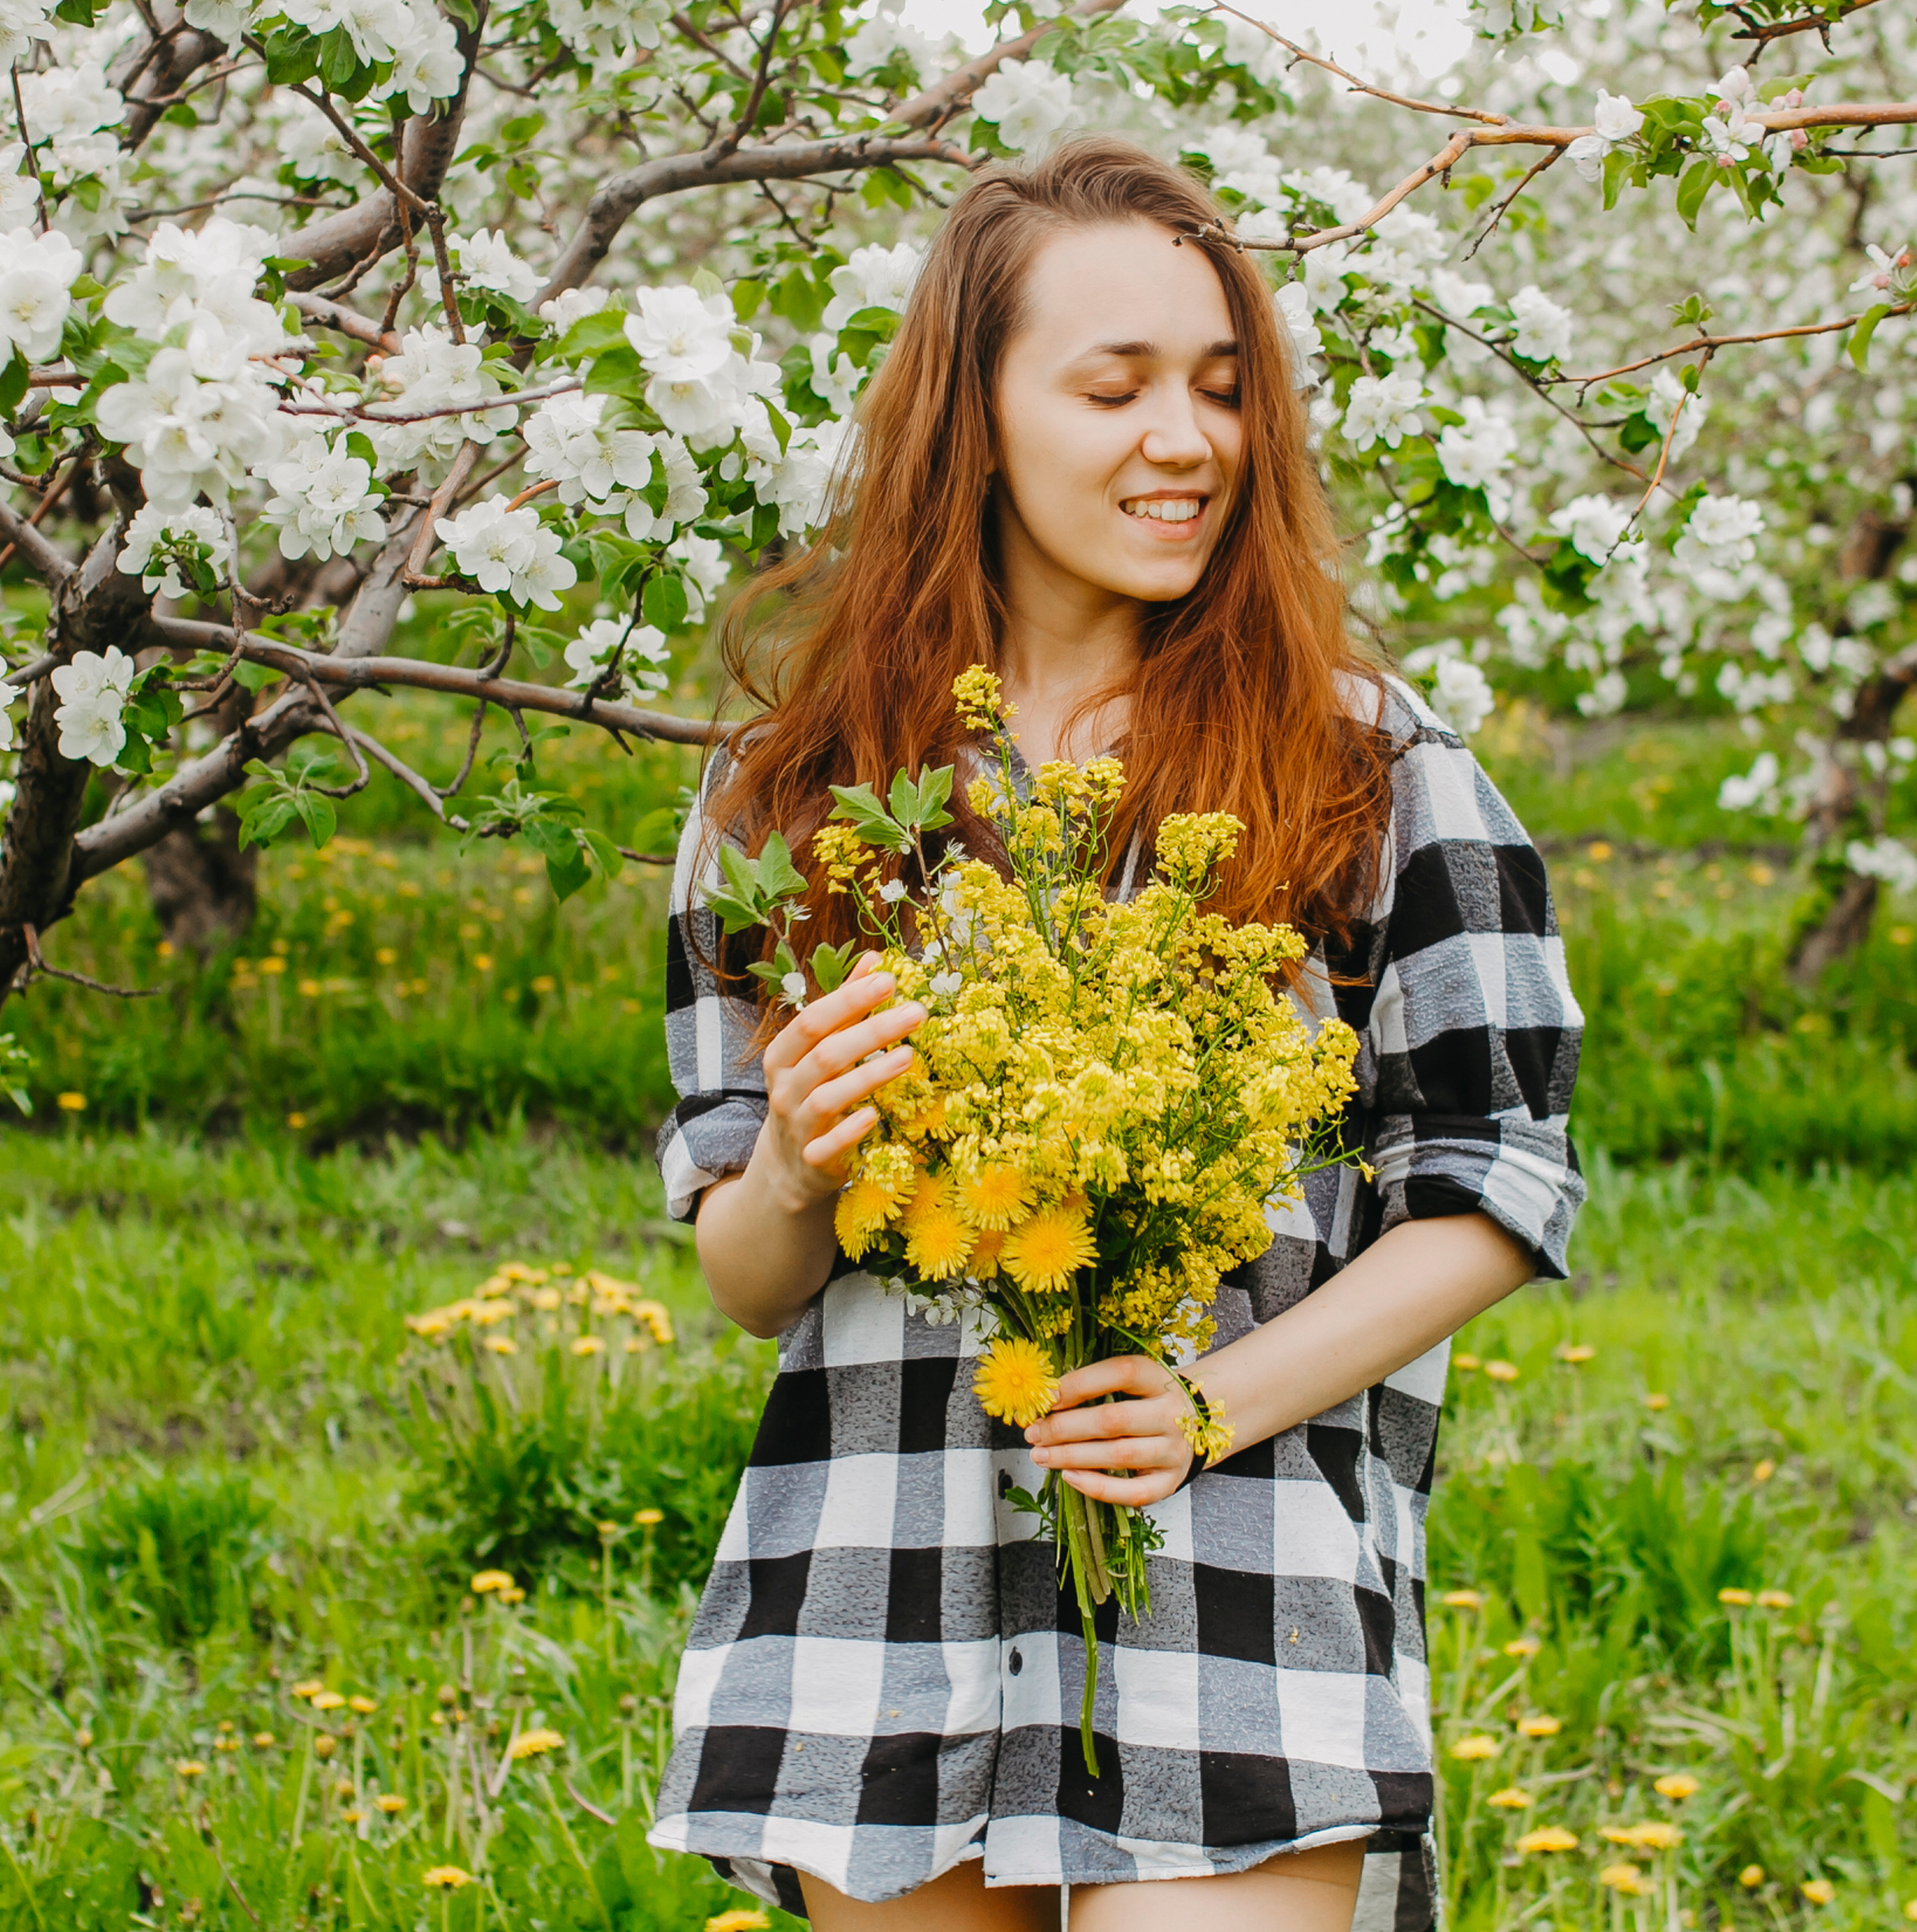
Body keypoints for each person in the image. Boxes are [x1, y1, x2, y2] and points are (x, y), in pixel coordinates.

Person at [646, 137, 1585, 1932]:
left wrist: (1198, 1405)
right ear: (974, 415)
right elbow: (748, 1273)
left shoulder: (1364, 767)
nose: (1187, 440)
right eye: (1117, 385)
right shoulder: (794, 797)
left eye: (1223, 390)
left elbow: (1494, 1183)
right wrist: (791, 1158)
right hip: (877, 1597)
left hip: (1241, 1589)